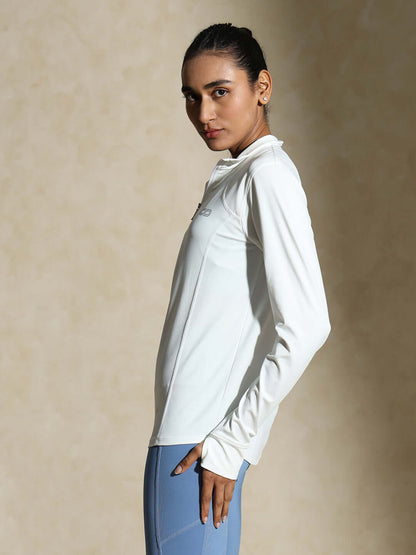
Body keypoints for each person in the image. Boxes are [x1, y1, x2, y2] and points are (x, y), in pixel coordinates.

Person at [143, 23, 331, 554]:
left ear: (262, 87)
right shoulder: (236, 174)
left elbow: (307, 326)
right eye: (192, 96)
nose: (204, 113)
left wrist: (230, 442)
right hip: (187, 439)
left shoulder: (266, 175)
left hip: (197, 446)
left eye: (220, 92)